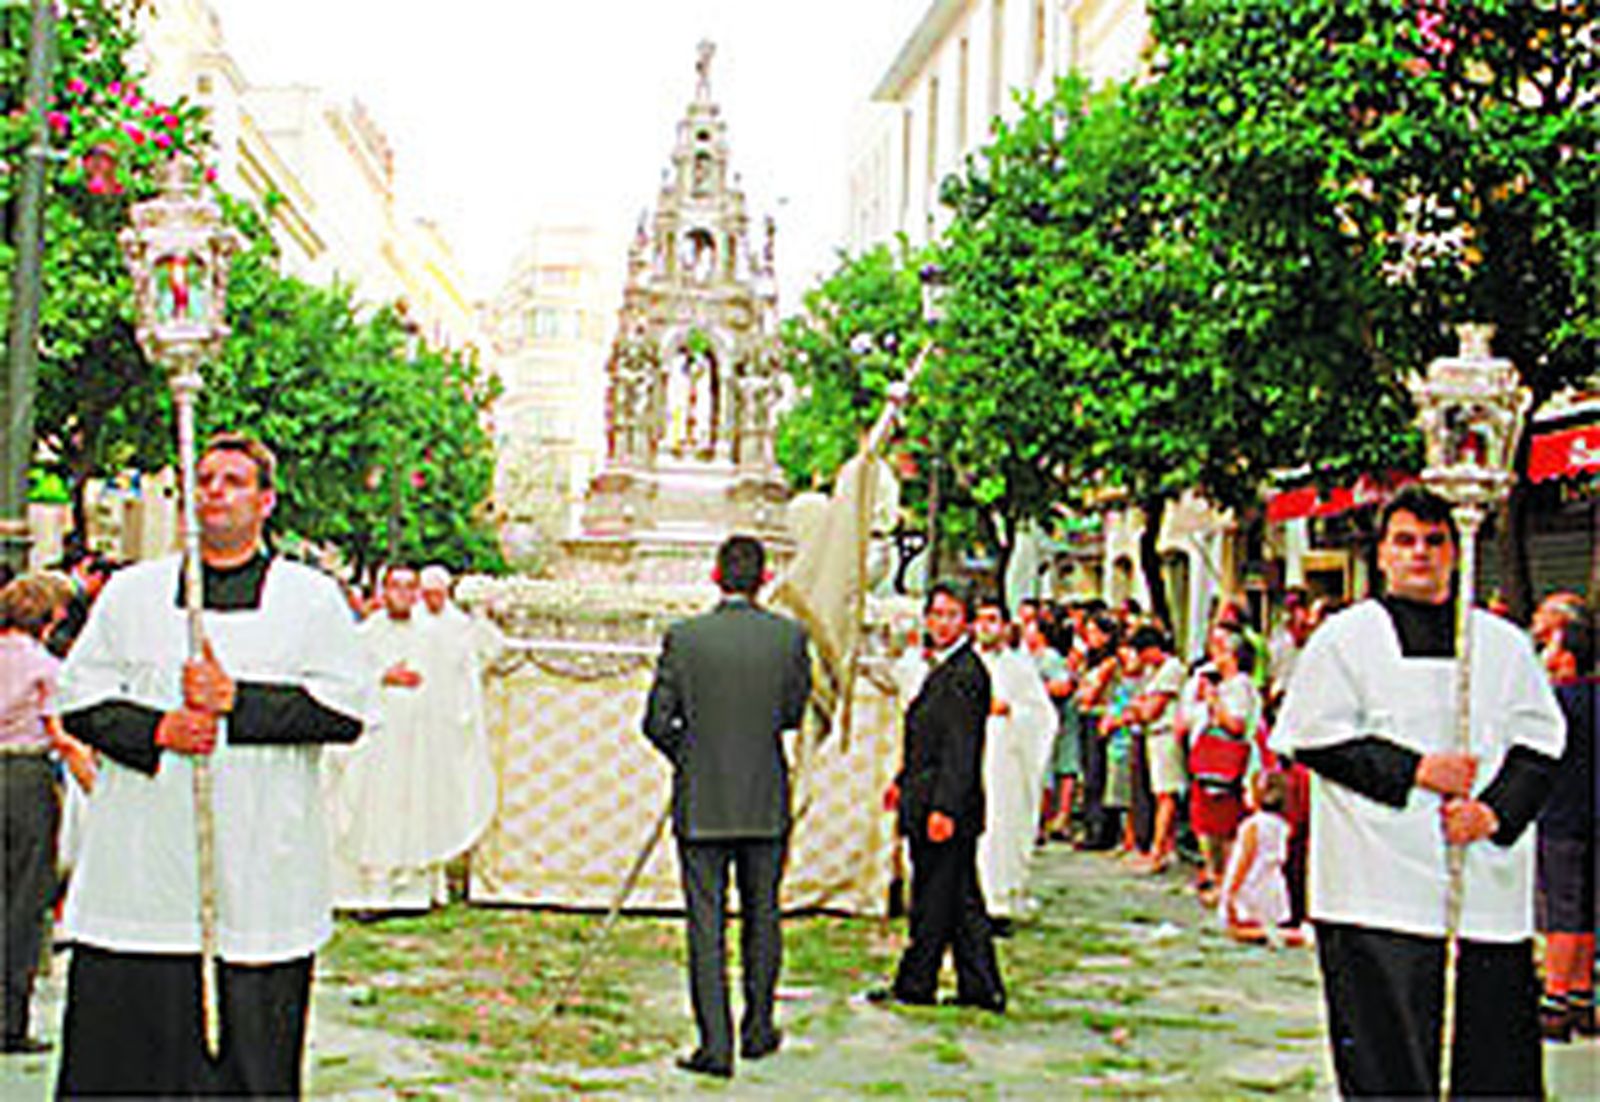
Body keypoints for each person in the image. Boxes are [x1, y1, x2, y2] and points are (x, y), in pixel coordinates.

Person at [53, 433, 374, 1096]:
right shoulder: (131, 593)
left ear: (266, 501)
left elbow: (345, 710)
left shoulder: (310, 599)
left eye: (233, 481)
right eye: (203, 480)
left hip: (257, 875)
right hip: (138, 877)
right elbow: (79, 700)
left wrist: (240, 701)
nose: (214, 493)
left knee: (243, 1066)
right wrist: (158, 728)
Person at [1270, 485, 1564, 1099]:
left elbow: (1542, 744)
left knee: (1490, 1064)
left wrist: (1491, 813)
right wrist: (1415, 770)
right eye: (1404, 541)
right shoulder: (1345, 639)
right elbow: (1311, 737)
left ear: (1456, 552)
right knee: (1388, 1066)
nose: (1420, 554)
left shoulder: (1502, 644)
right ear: (1381, 554)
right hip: (1374, 890)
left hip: (1481, 893)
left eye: (1435, 541)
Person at [642, 535, 811, 1080]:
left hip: (704, 800)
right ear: (764, 579)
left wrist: (690, 755)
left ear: (716, 576)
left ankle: (715, 1044)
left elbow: (655, 721)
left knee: (706, 925)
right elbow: (791, 713)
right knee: (764, 916)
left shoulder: (685, 638)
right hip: (764, 797)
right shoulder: (788, 637)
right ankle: (758, 1029)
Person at [326, 563, 496, 912]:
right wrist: (382, 676)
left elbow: (461, 671)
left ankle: (415, 889)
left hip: (421, 744)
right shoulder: (366, 633)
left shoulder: (433, 635)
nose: (402, 595)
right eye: (395, 587)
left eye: (409, 587)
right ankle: (373, 892)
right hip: (379, 742)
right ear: (383, 592)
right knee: (376, 812)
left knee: (417, 807)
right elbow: (347, 677)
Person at [871, 582, 1006, 1012]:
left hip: (945, 805)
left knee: (934, 897)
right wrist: (902, 779)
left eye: (951, 615)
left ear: (965, 620)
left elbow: (961, 750)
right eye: (936, 614)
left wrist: (945, 807)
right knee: (960, 899)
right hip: (924, 792)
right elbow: (926, 741)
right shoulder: (941, 669)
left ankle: (917, 981)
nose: (941, 623)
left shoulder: (966, 673)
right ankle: (980, 985)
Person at [1, 574, 93, 1052]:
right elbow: (61, 734)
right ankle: (10, 1018)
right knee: (22, 898)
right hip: (24, 780)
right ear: (51, 616)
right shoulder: (45, 668)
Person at [971, 596, 1057, 931]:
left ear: (1006, 626)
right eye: (981, 619)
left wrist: (1011, 712)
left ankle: (1000, 901)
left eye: (993, 619)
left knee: (1002, 829)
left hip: (1007, 760)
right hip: (973, 758)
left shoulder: (1020, 668)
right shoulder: (965, 664)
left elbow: (1043, 716)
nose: (987, 626)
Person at [1534, 603, 1595, 1041]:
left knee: (1562, 912)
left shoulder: (1556, 704)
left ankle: (1554, 1000)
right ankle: (1583, 995)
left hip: (1560, 819)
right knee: (1589, 910)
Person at [1126, 627, 1185, 873]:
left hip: (1166, 734)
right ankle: (1166, 847)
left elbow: (1151, 709)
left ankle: (1158, 850)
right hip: (1153, 735)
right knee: (1158, 792)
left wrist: (1138, 710)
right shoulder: (1152, 673)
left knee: (1166, 794)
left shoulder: (1172, 670)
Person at [1217, 770, 1300, 946]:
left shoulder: (1253, 825)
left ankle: (1291, 936)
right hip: (1272, 881)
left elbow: (1245, 859)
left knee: (1237, 929)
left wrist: (1231, 890)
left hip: (1253, 882)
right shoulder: (1282, 825)